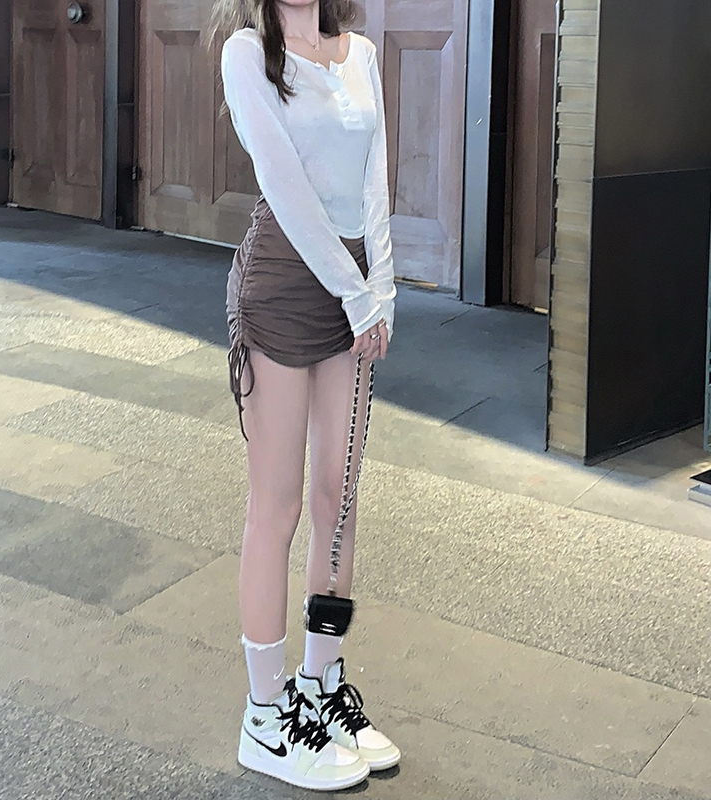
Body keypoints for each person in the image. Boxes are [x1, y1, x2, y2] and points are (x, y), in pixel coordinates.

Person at [210, 0, 400, 791]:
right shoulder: (247, 53)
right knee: (278, 504)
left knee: (338, 497)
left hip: (354, 284)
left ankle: (321, 685)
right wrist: (355, 293)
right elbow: (285, 188)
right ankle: (264, 714)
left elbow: (375, 178)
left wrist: (381, 286)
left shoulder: (359, 53)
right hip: (286, 284)